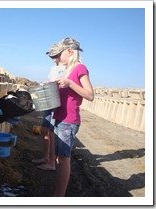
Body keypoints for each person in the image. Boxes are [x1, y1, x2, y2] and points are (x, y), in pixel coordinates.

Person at [46, 37, 94, 196]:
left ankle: (59, 196)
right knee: (60, 158)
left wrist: (70, 84)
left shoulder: (80, 68)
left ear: (70, 51)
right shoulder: (67, 69)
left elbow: (90, 95)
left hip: (69, 120)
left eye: (61, 54)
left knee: (64, 159)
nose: (59, 58)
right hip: (61, 117)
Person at [32, 62, 65, 171]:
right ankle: (46, 158)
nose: (54, 58)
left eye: (56, 55)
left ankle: (52, 163)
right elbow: (50, 80)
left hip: (57, 102)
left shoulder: (68, 67)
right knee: (44, 130)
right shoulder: (54, 67)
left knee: (51, 133)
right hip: (49, 100)